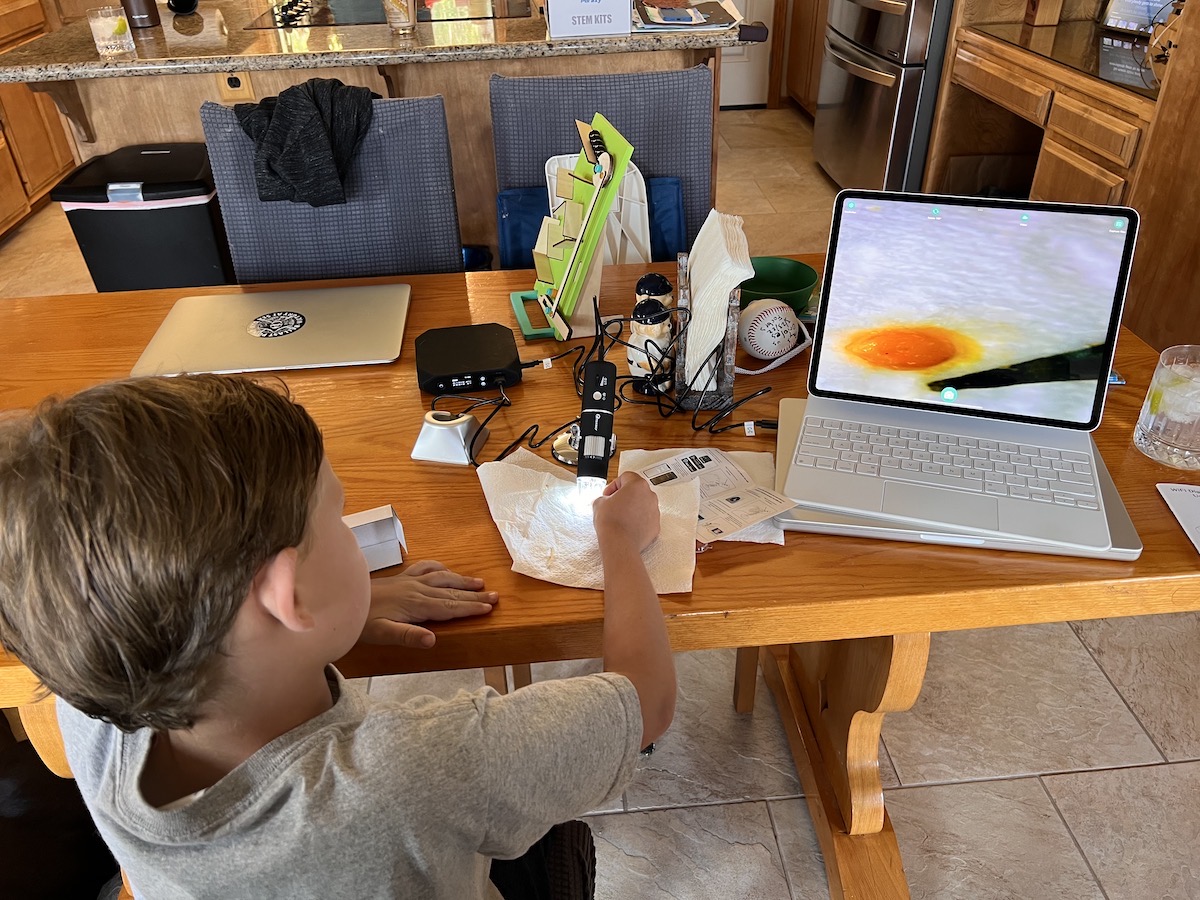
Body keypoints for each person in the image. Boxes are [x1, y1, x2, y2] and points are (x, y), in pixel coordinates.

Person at [0, 374, 675, 900]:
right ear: (286, 597)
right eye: (339, 515)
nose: (349, 531)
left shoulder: (94, 700)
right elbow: (645, 703)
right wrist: (618, 538)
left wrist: (335, 617)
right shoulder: (417, 769)